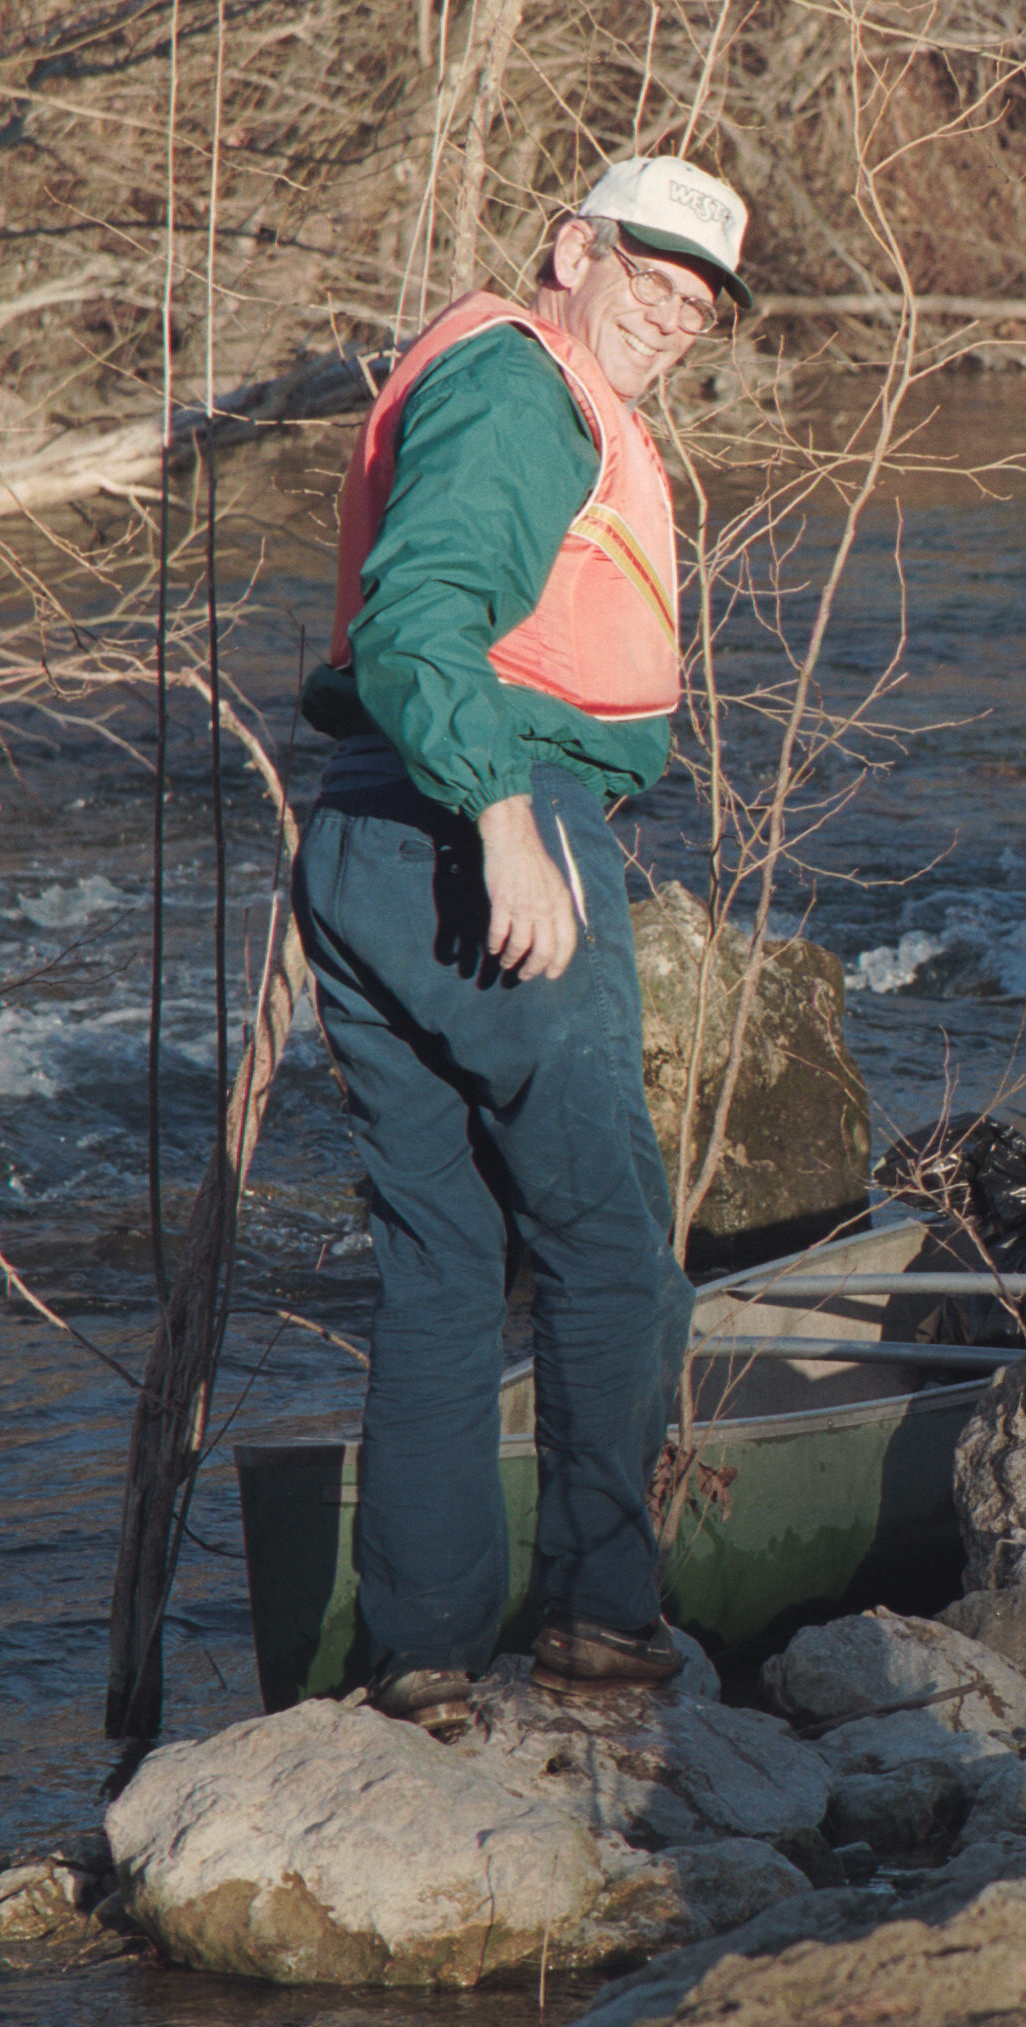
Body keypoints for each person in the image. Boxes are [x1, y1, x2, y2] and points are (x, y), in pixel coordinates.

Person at [290, 155, 754, 1740]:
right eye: (652, 275)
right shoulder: (516, 391)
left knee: (435, 1273)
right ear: (573, 250)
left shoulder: (499, 374)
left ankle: (419, 1662)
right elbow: (422, 617)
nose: (674, 316)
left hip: (361, 840)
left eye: (700, 301)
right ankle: (603, 1630)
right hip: (483, 826)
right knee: (613, 1252)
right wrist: (500, 819)